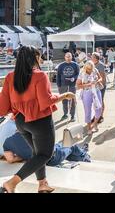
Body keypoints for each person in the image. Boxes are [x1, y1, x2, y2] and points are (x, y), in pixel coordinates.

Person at [0, 45, 76, 193]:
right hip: (40, 121)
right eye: (39, 56)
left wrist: (17, 108)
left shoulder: (10, 77)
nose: (40, 59)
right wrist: (64, 96)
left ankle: (43, 184)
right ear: (34, 58)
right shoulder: (40, 76)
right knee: (45, 154)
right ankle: (12, 183)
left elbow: (2, 107)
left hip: (21, 122)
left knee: (37, 153)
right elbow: (46, 101)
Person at [3, 131, 91, 167]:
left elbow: (10, 159)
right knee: (71, 145)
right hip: (52, 158)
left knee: (62, 145)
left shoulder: (7, 142)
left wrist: (24, 157)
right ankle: (84, 156)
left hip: (46, 159)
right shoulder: (32, 132)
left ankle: (82, 152)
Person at [76, 61, 103, 135]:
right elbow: (78, 86)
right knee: (88, 111)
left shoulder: (95, 70)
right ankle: (89, 128)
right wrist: (88, 84)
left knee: (99, 109)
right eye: (88, 69)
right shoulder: (82, 72)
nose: (90, 70)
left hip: (96, 91)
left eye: (91, 69)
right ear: (85, 67)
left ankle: (94, 124)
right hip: (87, 93)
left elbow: (100, 78)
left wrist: (97, 81)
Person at [56, 53, 79, 122]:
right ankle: (65, 114)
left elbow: (78, 74)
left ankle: (72, 115)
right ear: (65, 57)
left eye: (69, 57)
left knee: (72, 100)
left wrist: (74, 78)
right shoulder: (61, 65)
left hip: (72, 85)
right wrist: (58, 85)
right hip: (63, 85)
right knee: (64, 100)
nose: (68, 58)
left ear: (72, 57)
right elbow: (58, 76)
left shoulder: (75, 65)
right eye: (67, 57)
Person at [91, 52, 107, 124]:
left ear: (96, 58)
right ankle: (95, 116)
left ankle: (101, 116)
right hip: (93, 86)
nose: (91, 58)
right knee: (95, 102)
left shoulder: (100, 65)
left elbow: (102, 77)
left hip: (100, 86)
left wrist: (101, 86)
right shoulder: (92, 64)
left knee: (100, 100)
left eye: (92, 57)